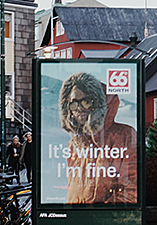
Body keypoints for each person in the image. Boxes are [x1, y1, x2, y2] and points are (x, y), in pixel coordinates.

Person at [58, 71, 137, 204]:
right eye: (74, 103)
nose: (79, 109)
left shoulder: (123, 135)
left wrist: (101, 216)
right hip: (77, 219)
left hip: (105, 220)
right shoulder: (75, 143)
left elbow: (130, 189)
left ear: (98, 104)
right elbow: (74, 188)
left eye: (86, 102)